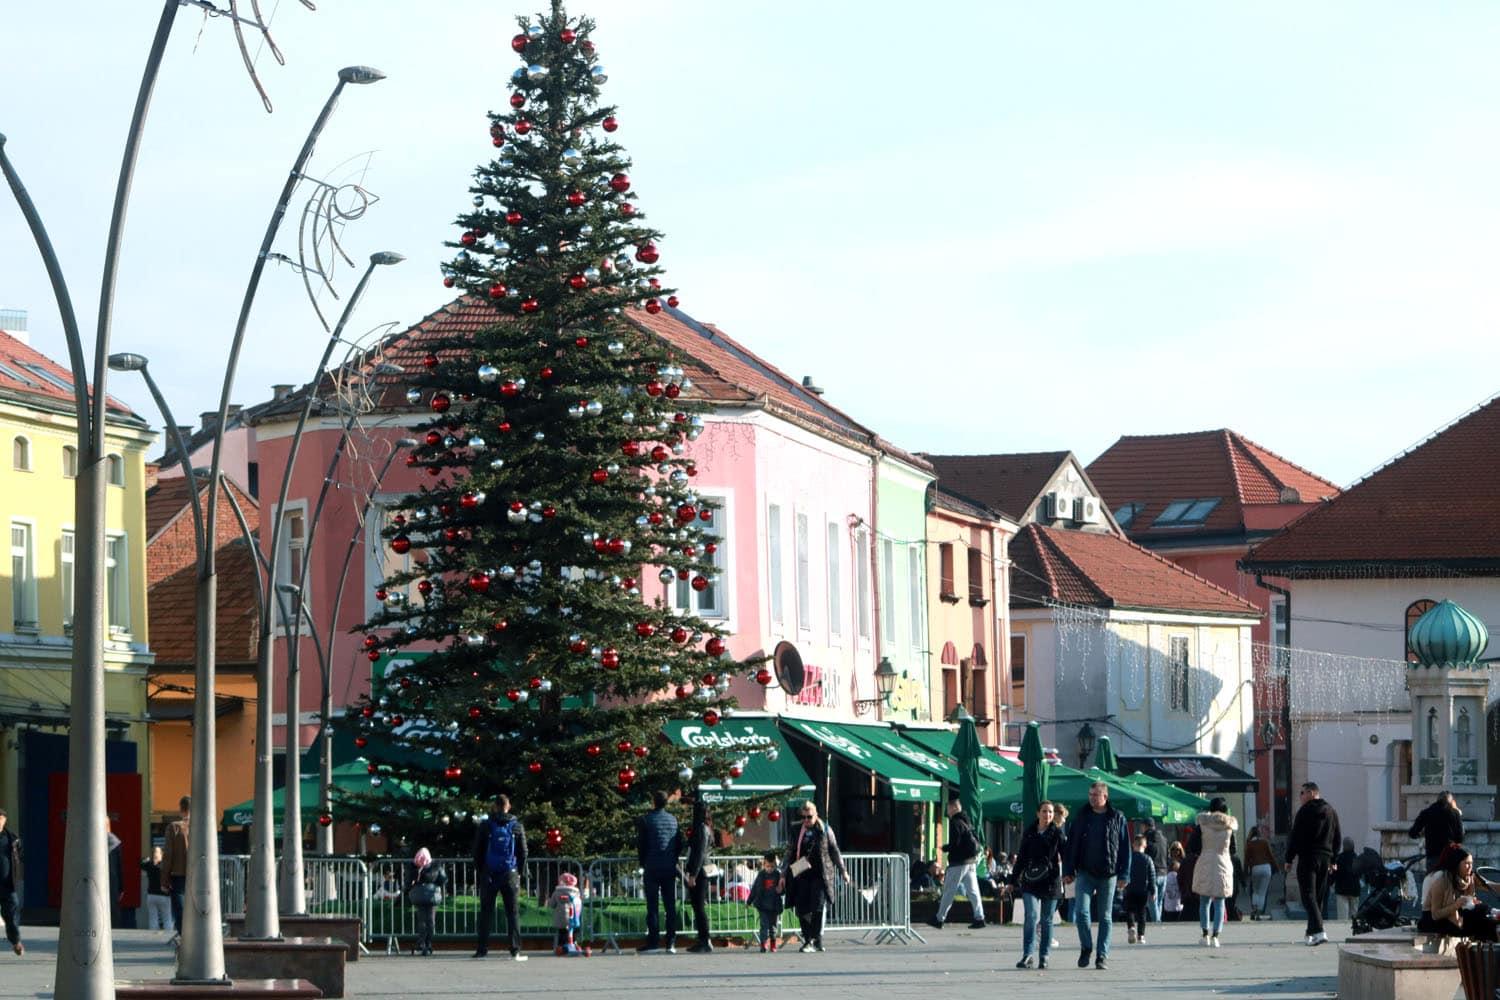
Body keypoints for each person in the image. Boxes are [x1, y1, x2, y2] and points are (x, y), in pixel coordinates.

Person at [1062, 782, 1131, 971]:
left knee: (1105, 917)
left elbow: (1125, 848)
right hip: (1085, 872)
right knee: (1081, 913)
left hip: (1108, 874)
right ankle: (1086, 947)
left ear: (1105, 797)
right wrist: (1068, 871)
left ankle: (1102, 955)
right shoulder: (1082, 816)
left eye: (1096, 795)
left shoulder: (1117, 817)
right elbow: (1071, 845)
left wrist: (1125, 874)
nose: (1092, 798)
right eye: (1090, 794)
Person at [786, 801, 848, 953]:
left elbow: (834, 850)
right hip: (801, 873)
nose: (807, 820)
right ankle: (810, 939)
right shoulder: (796, 829)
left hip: (821, 874)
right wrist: (783, 873)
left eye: (810, 817)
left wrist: (843, 870)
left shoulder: (825, 829)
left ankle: (813, 939)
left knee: (818, 906)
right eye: (804, 817)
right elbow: (789, 852)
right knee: (802, 908)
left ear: (816, 815)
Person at [1284, 781, 1341, 947]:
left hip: (1308, 858)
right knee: (1318, 896)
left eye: (1302, 793)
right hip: (1325, 859)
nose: (1300, 797)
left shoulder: (1304, 811)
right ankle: (1310, 933)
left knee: (1308, 895)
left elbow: (1295, 837)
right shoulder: (1331, 811)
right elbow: (1337, 837)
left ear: (1310, 793)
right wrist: (1334, 859)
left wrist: (1289, 859)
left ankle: (1320, 931)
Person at [472, 794, 528, 960]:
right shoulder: (517, 826)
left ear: (494, 806)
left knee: (486, 912)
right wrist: (519, 871)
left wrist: (481, 870)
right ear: (508, 806)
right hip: (510, 873)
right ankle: (515, 949)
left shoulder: (486, 825)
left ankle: (482, 949)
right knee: (512, 912)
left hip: (489, 873)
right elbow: (523, 851)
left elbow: (477, 850)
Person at [1010, 800, 1065, 969]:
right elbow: (1021, 858)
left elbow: (1067, 855)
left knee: (1047, 920)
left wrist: (1070, 874)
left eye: (1050, 812)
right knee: (1031, 916)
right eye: (1044, 811)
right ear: (1038, 813)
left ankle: (1044, 955)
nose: (1047, 815)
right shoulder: (1029, 832)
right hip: (1031, 880)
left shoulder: (1057, 834)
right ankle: (1028, 954)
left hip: (1050, 881)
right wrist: (1013, 880)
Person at [1418, 844, 1497, 942]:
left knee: (1485, 914)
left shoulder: (1468, 877)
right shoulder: (1441, 880)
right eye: (1466, 863)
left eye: (1471, 863)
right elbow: (1436, 914)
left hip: (1454, 913)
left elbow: (1488, 885)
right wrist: (1457, 904)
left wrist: (1469, 903)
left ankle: (1489, 951)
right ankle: (1482, 952)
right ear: (1457, 864)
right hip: (1434, 920)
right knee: (1480, 918)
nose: (1470, 867)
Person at [928, 795, 985, 930]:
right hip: (971, 862)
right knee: (973, 892)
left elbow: (956, 844)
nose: (947, 810)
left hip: (958, 863)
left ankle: (939, 919)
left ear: (954, 808)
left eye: (948, 807)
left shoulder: (955, 822)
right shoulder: (967, 821)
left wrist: (945, 848)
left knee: (949, 891)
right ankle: (980, 917)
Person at [636, 789, 681, 954]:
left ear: (653, 802)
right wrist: (673, 859)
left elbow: (642, 844)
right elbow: (678, 844)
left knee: (652, 906)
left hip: (652, 866)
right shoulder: (673, 820)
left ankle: (653, 942)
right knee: (670, 906)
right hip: (669, 867)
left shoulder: (645, 820)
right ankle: (671, 942)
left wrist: (643, 862)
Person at [1191, 798, 1238, 948]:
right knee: (1220, 902)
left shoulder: (1203, 824)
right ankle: (1216, 936)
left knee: (1204, 901)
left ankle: (1205, 935)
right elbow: (1234, 850)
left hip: (1205, 861)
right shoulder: (1229, 826)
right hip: (1223, 863)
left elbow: (1193, 845)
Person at [682, 799, 714, 953]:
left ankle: (705, 940)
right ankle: (703, 939)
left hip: (700, 873)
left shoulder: (701, 829)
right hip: (701, 871)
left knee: (699, 907)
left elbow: (700, 853)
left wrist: (693, 874)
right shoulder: (706, 827)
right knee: (697, 906)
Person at [1410, 791, 1465, 874]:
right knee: (1450, 885)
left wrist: (1421, 834)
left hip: (1433, 856)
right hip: (1450, 856)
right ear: (1451, 801)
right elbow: (1460, 838)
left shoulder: (1426, 812)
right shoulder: (1455, 813)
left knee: (1433, 884)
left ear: (1437, 800)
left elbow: (1412, 833)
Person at [406, 846, 446, 956]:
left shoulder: (413, 866)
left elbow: (408, 882)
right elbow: (443, 880)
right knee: (431, 920)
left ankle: (421, 943)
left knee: (422, 920)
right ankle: (428, 943)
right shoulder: (436, 865)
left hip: (418, 896)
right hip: (432, 896)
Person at [161, 796, 190, 940]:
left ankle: (184, 936)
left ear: (181, 808)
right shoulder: (203, 825)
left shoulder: (174, 827)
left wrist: (164, 880)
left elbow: (168, 855)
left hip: (178, 874)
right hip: (198, 876)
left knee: (180, 908)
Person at [747, 850, 785, 952]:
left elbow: (783, 889)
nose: (770, 869)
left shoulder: (778, 875)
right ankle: (763, 944)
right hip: (762, 905)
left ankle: (773, 944)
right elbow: (755, 888)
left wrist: (781, 890)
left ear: (775, 866)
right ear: (764, 865)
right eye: (768, 866)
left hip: (774, 905)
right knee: (763, 925)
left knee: (773, 927)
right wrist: (748, 901)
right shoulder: (761, 875)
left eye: (772, 867)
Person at [1123, 835, 1156, 945]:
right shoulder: (1148, 859)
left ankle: (1131, 926)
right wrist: (1153, 891)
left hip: (1130, 888)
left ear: (1133, 845)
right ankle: (1141, 935)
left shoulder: (1129, 858)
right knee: (1142, 912)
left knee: (1130, 910)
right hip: (1143, 890)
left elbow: (1124, 871)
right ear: (1145, 846)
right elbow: (1152, 876)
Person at [0, 807, 21, 956]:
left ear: (4, 820)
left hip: (7, 885)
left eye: (0, 818)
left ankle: (15, 941)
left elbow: (20, 857)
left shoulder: (12, 839)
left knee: (11, 914)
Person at [546, 872, 584, 955]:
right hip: (574, 918)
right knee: (573, 930)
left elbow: (552, 904)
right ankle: (574, 943)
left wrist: (550, 902)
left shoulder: (557, 892)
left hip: (561, 919)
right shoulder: (576, 893)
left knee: (562, 932)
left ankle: (561, 946)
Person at [1245, 827, 1277, 921]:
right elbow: (1271, 856)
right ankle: (1259, 913)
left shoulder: (1249, 844)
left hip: (1255, 868)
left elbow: (1246, 860)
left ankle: (1254, 910)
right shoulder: (1264, 842)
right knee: (1262, 892)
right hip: (1267, 868)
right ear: (1259, 833)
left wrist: (1245, 872)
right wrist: (1277, 868)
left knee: (1255, 891)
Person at [1139, 819, 1168, 922]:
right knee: (1159, 902)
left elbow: (1145, 857)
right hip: (1164, 873)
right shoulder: (1164, 839)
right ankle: (1158, 922)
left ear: (1144, 826)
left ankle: (1157, 924)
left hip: (1153, 873)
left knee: (1152, 902)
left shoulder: (1146, 839)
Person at [140, 846, 171, 932]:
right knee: (167, 918)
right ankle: (168, 936)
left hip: (151, 895)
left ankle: (153, 938)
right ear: (161, 854)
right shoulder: (165, 865)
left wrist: (147, 859)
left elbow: (141, 864)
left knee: (153, 918)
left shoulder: (149, 865)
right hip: (164, 895)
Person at [1333, 837, 1362, 920]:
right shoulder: (1358, 858)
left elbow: (1334, 872)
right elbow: (1360, 874)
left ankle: (1343, 931)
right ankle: (1353, 929)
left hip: (1341, 890)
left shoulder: (1338, 858)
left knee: (1342, 916)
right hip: (1355, 890)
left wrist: (1331, 882)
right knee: (1354, 914)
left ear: (1344, 846)